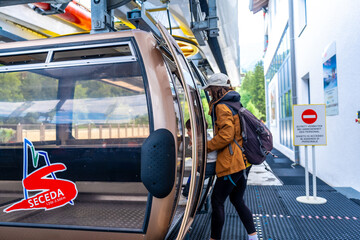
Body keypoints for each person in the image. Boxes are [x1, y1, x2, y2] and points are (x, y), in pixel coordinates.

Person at [202, 73, 258, 240]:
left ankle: (214, 238)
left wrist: (206, 146)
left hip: (231, 163)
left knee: (217, 201)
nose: (209, 93)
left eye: (211, 89)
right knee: (237, 200)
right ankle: (253, 237)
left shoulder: (221, 107)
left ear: (217, 88)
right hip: (243, 160)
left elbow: (226, 136)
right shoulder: (234, 102)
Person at [180, 119, 217, 204]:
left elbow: (189, 152)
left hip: (209, 165)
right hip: (208, 164)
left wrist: (190, 144)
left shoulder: (202, 140)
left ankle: (187, 196)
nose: (187, 133)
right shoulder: (203, 138)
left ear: (196, 130)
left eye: (189, 130)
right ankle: (187, 194)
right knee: (193, 176)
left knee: (195, 178)